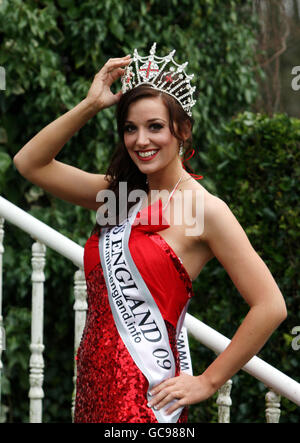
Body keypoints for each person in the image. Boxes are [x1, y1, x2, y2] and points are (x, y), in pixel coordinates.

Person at [13, 43, 287, 424]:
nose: (141, 140)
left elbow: (271, 305)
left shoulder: (202, 209)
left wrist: (209, 381)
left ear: (183, 130)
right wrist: (91, 104)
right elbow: (30, 163)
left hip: (148, 401)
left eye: (155, 126)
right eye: (131, 128)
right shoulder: (120, 195)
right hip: (93, 388)